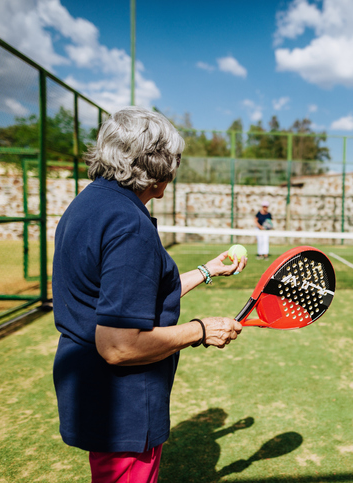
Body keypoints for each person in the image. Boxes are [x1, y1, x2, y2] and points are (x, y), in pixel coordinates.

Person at [52, 107, 247, 483]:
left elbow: (136, 292)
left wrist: (207, 271)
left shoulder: (90, 204)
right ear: (157, 166)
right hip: (121, 404)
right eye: (174, 161)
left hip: (91, 391)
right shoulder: (129, 225)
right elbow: (120, 345)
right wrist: (201, 330)